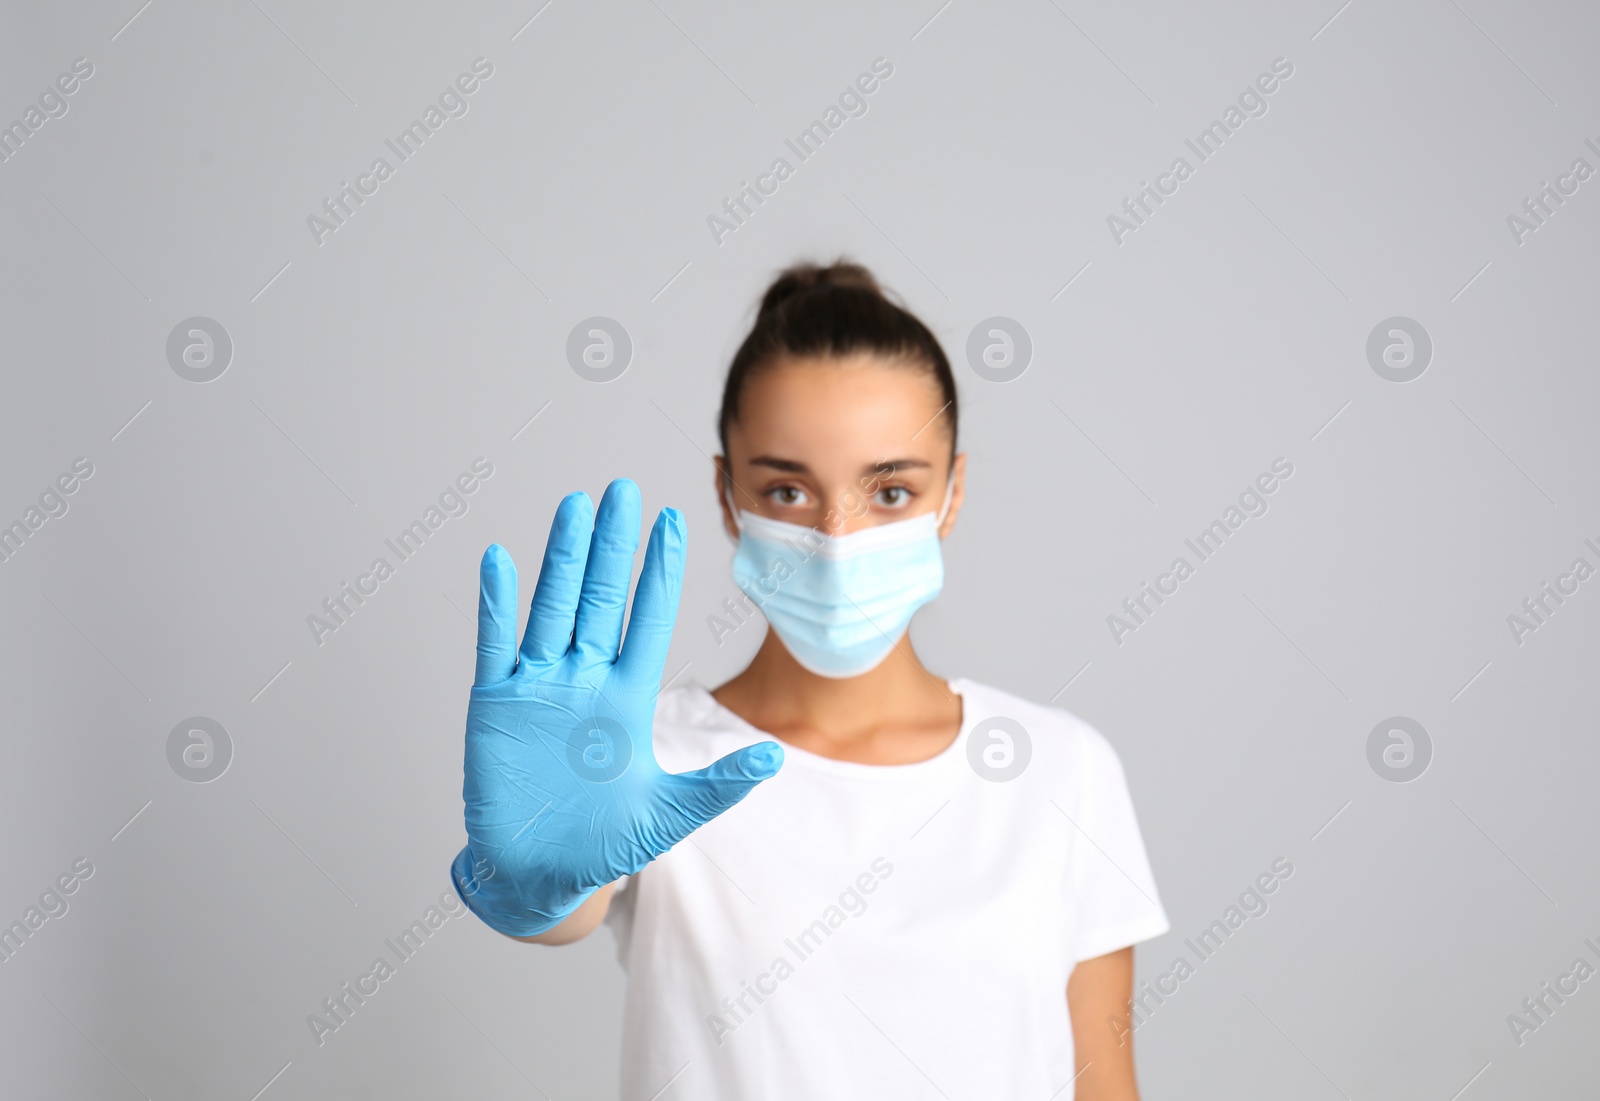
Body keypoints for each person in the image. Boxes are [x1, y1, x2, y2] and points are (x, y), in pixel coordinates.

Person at [451, 260, 1169, 1100]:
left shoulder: (1061, 768)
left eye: (890, 489)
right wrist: (532, 878)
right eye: (787, 489)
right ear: (727, 493)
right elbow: (564, 902)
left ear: (953, 492)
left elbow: (1103, 1079)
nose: (836, 534)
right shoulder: (650, 755)